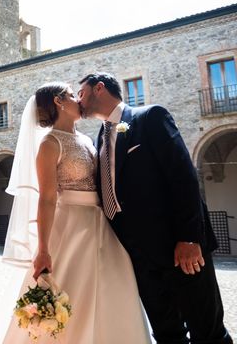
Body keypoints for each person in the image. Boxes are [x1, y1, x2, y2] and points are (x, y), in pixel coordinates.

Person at [78, 72, 232, 344]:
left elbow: (183, 177)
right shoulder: (100, 138)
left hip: (180, 249)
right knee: (166, 334)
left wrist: (189, 237)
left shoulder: (150, 118)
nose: (78, 100)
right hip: (139, 258)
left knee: (208, 332)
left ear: (99, 88)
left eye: (81, 93)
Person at [0, 82, 150, 343]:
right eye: (71, 95)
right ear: (59, 101)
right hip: (70, 226)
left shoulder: (87, 140)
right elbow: (46, 199)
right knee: (71, 293)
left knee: (114, 288)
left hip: (102, 224)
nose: (78, 100)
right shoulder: (49, 144)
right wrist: (43, 249)